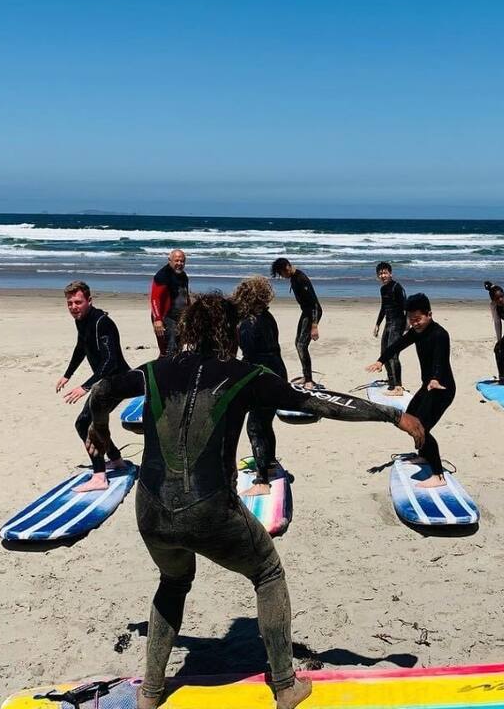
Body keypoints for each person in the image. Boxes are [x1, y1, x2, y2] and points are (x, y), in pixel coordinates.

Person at [90, 293, 424, 709]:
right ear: (229, 331)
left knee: (173, 582)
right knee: (267, 572)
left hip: (151, 509)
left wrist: (100, 434)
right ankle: (285, 685)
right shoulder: (247, 375)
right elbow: (319, 401)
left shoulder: (154, 371)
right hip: (209, 508)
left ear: (189, 328)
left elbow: (103, 389)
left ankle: (151, 692)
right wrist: (391, 415)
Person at [366, 293, 454, 488]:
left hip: (442, 388)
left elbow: (440, 360)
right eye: (411, 320)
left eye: (418, 319)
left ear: (429, 314)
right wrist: (381, 360)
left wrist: (435, 379)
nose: (415, 323)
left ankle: (438, 476)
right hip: (428, 387)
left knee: (421, 427)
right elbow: (397, 345)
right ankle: (424, 456)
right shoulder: (416, 332)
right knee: (409, 418)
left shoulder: (440, 334)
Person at [55, 280, 133, 492]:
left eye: (78, 302)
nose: (73, 307)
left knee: (84, 423)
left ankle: (100, 477)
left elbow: (111, 361)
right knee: (90, 423)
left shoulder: (102, 323)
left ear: (89, 301)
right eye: (70, 303)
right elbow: (82, 346)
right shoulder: (82, 320)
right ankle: (115, 460)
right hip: (105, 381)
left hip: (117, 381)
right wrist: (67, 375)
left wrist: (85, 387)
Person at [233, 276, 288, 496]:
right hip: (277, 370)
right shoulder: (268, 316)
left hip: (261, 374)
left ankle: (262, 480)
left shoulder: (247, 322)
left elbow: (249, 354)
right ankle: (270, 462)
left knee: (255, 426)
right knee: (266, 422)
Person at [270, 257, 322, 389]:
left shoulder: (300, 279)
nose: (282, 276)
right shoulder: (294, 277)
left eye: (281, 273)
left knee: (301, 345)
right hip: (306, 313)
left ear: (287, 267)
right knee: (298, 344)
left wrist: (314, 326)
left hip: (312, 313)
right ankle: (306, 375)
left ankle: (309, 380)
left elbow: (314, 304)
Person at [373, 262, 408, 395]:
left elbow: (406, 306)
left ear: (390, 273)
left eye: (385, 273)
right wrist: (377, 324)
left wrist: (407, 323)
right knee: (384, 354)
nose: (383, 275)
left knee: (393, 355)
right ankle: (391, 381)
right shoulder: (383, 289)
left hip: (397, 324)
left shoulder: (397, 287)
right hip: (388, 324)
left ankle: (398, 387)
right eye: (380, 273)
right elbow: (384, 307)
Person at [150, 249, 190, 357]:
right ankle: (166, 370)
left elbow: (185, 295)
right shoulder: (163, 275)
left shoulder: (183, 276)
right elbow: (155, 298)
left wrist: (190, 313)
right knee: (170, 347)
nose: (179, 264)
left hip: (179, 315)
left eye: (182, 261)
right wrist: (158, 319)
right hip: (165, 317)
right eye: (176, 261)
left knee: (179, 344)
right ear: (170, 260)